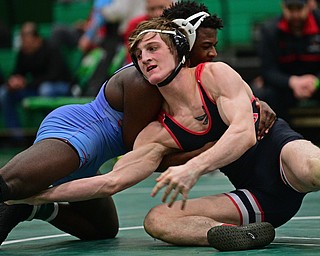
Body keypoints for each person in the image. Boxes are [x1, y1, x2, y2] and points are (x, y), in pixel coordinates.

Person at [12, 16, 320, 252]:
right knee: (157, 220)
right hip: (256, 198)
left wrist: (192, 168)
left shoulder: (214, 75)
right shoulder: (157, 132)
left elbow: (244, 134)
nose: (143, 58)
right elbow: (110, 182)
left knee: (311, 166)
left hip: (282, 157)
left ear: (179, 52)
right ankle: (240, 235)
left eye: (153, 48)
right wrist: (36, 195)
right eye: (138, 53)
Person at [0, 22, 71, 136]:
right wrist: (14, 81)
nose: (24, 42)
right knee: (4, 92)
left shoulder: (51, 48)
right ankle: (16, 137)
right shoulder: (24, 52)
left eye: (26, 38)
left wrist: (27, 83)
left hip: (60, 86)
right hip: (35, 87)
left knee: (46, 89)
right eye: (22, 38)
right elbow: (18, 72)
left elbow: (54, 75)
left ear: (37, 39)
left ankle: (52, 133)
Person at [255, 0, 320, 120]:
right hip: (286, 87)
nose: (295, 14)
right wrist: (293, 82)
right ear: (283, 7)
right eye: (290, 9)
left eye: (299, 9)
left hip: (316, 83)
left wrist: (315, 82)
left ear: (309, 6)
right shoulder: (270, 30)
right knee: (263, 94)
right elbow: (268, 70)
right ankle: (281, 135)